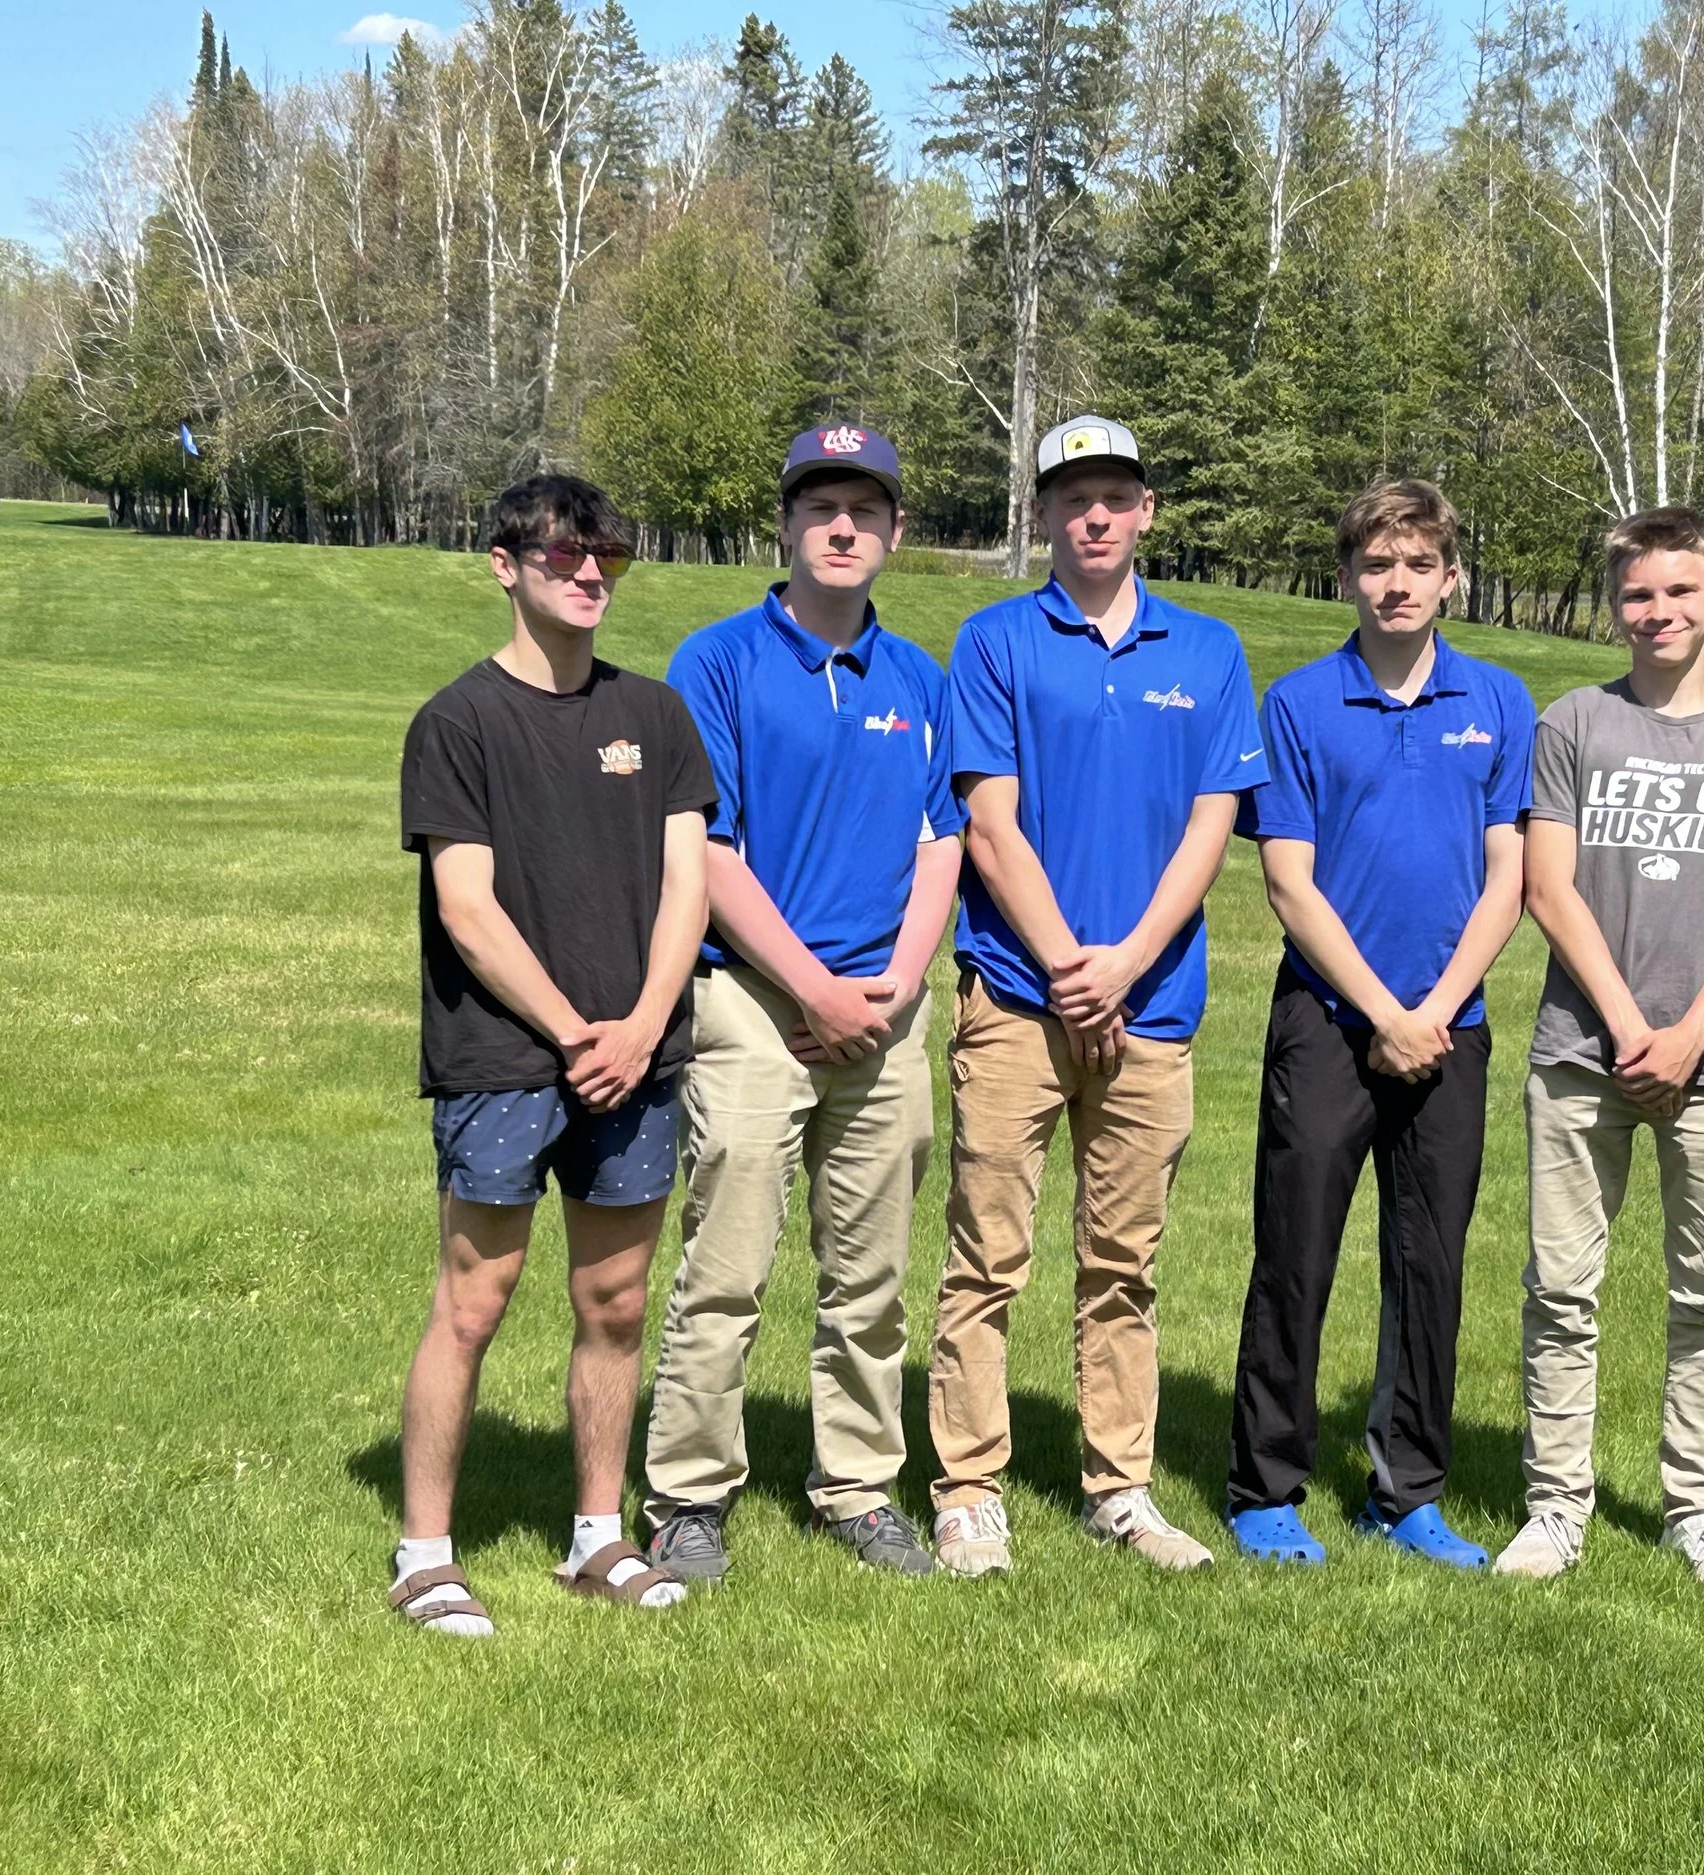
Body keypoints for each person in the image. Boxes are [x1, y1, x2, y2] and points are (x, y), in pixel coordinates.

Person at [927, 414, 1267, 1577]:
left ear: (1146, 511)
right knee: (988, 1256)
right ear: (1044, 513)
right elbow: (987, 820)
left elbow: (1212, 824)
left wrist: (1122, 965)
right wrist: (1073, 964)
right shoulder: (995, 640)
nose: (1094, 515)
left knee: (1123, 1265)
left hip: (1153, 1005)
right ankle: (969, 1488)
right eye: (1072, 497)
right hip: (1019, 999)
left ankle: (1117, 1486)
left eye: (1115, 495)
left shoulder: (1208, 651)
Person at [387, 474, 715, 1635]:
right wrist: (575, 1031)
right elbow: (466, 908)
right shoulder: (459, 722)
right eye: (565, 556)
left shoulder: (658, 717)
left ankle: (596, 1536)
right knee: (474, 1301)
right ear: (505, 565)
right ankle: (424, 1552)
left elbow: (689, 884)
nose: (589, 575)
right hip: (503, 1059)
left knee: (617, 1301)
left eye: (607, 559)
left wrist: (638, 1028)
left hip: (639, 1058)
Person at [639, 426, 962, 1582]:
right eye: (820, 507)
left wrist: (897, 985)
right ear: (781, 523)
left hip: (886, 1016)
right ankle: (685, 1496)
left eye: (864, 510)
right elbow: (710, 857)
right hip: (751, 1008)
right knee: (725, 1268)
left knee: (870, 1276)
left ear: (893, 532)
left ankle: (857, 1487)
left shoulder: (919, 680)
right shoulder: (717, 661)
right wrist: (814, 989)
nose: (841, 527)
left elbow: (943, 847)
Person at [1499, 505, 1704, 1598]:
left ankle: (1697, 1511)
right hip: (1579, 1053)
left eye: (1679, 593)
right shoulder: (1574, 725)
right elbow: (1548, 887)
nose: (1658, 613)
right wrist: (1628, 1026)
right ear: (1614, 606)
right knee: (1561, 1290)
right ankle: (1555, 1506)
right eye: (1638, 595)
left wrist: (1686, 1035)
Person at [1224, 480, 1536, 1570]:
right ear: (1346, 576)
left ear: (1451, 576)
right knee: (1293, 1254)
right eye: (1374, 564)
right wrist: (1381, 1013)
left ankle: (1405, 1493)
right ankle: (1264, 1484)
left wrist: (1435, 1012)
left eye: (1417, 564)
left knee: (1430, 1262)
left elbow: (1510, 878)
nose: (1395, 584)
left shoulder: (1499, 702)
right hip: (1325, 1019)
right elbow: (1290, 886)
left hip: (1454, 1027)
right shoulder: (1302, 704)